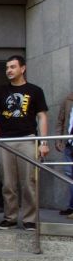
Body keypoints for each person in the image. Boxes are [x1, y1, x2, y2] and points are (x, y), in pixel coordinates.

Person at [0, 55, 49, 231]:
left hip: (28, 139)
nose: (9, 70)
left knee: (29, 180)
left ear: (22, 69)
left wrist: (43, 141)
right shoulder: (1, 91)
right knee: (7, 182)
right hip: (5, 141)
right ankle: (10, 217)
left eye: (13, 67)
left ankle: (30, 219)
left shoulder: (35, 90)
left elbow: (42, 116)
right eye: (7, 67)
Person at [55, 90, 73, 218]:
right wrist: (58, 139)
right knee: (69, 175)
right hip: (69, 142)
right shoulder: (68, 100)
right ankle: (71, 206)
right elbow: (60, 120)